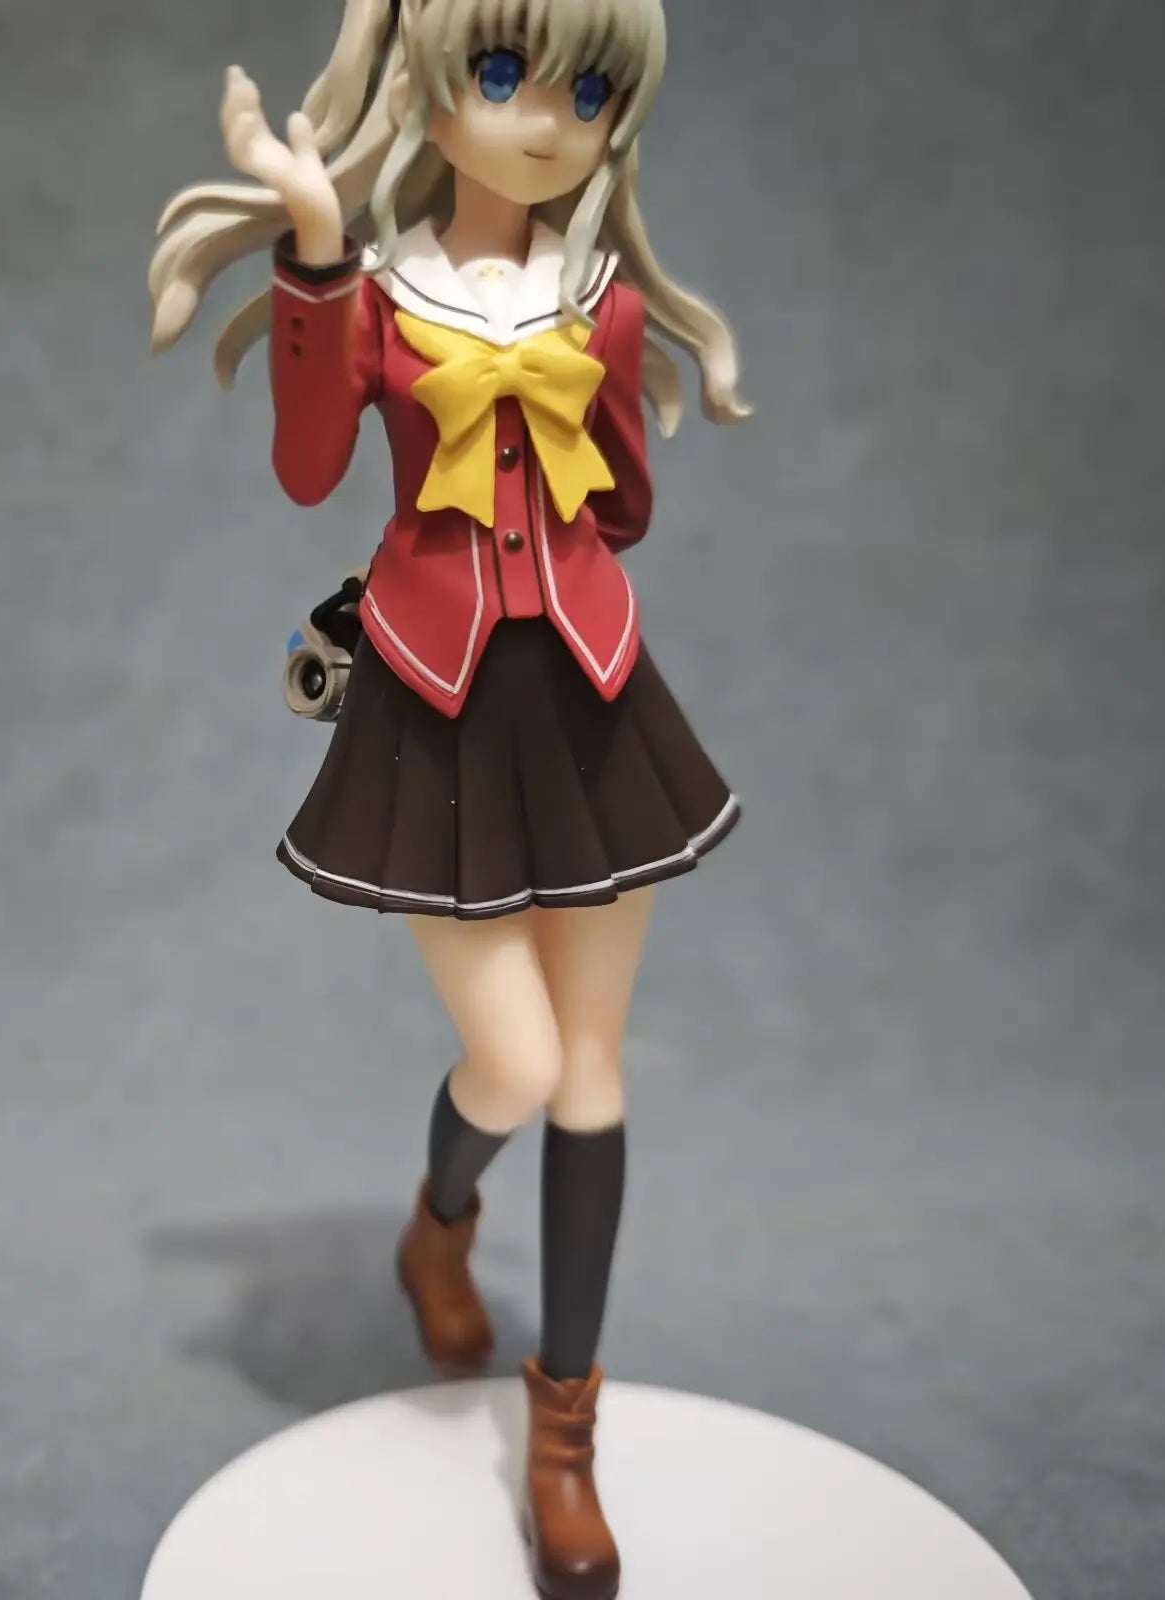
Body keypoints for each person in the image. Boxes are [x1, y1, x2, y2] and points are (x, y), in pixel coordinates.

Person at [149, 3, 749, 1594]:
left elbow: (623, 498)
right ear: (430, 90)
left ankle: (566, 1438)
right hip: (437, 699)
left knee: (593, 1072)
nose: (547, 119)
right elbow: (304, 466)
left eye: (590, 88)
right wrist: (316, 248)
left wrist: (563, 450)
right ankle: (439, 1219)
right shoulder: (375, 295)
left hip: (592, 695)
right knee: (519, 1059)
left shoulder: (604, 307)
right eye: (502, 74)